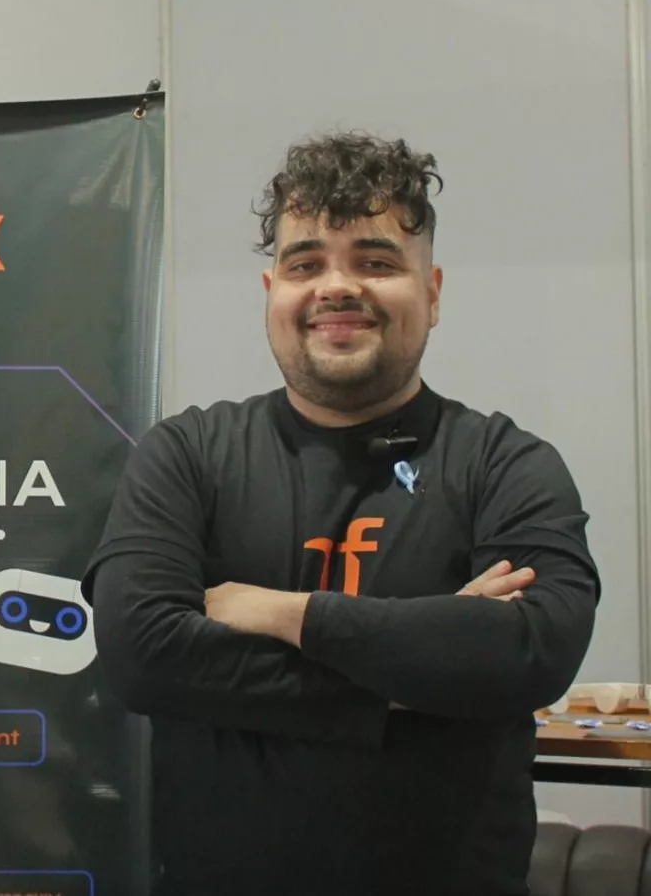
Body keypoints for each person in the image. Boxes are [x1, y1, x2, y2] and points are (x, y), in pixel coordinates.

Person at [82, 133, 599, 896]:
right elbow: (142, 653)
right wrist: (413, 676)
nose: (337, 287)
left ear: (432, 293)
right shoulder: (187, 456)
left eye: (376, 262)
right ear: (272, 291)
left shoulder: (504, 464)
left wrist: (281, 613)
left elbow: (531, 651)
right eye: (305, 264)